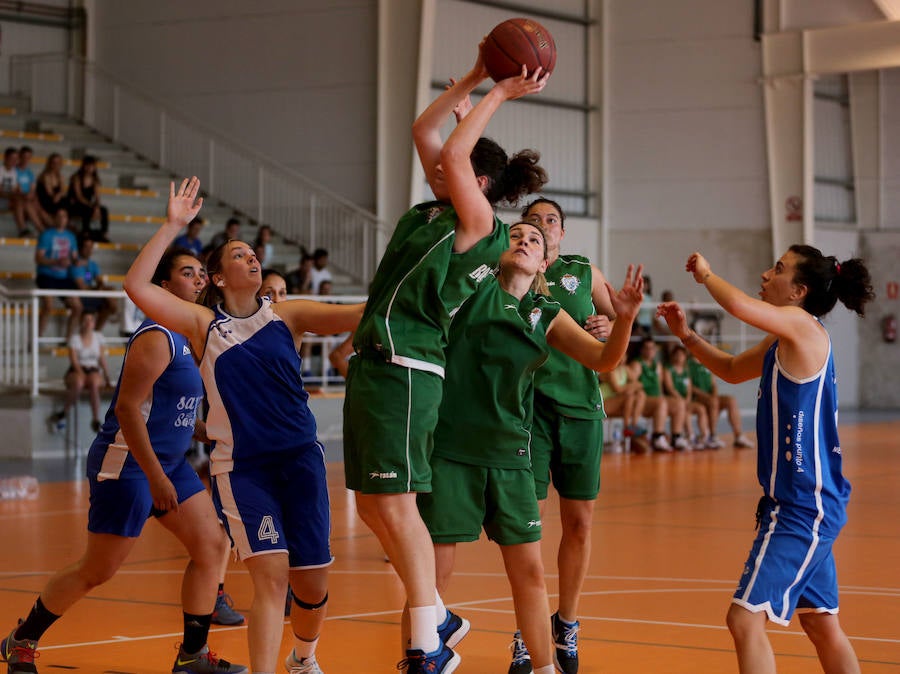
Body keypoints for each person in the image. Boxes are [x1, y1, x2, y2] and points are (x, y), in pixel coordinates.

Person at [343, 44, 548, 673]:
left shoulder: (479, 221)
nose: (436, 162)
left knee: (397, 506)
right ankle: (437, 612)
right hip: (375, 362)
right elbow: (424, 131)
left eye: (453, 163)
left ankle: (427, 641)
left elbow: (454, 153)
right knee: (371, 504)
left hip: (407, 368)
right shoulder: (433, 210)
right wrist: (476, 76)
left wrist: (500, 93)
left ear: (479, 183)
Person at [124, 177, 364, 674]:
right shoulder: (202, 325)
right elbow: (136, 287)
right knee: (271, 578)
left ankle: (304, 658)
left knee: (311, 585)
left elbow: (359, 314)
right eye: (239, 254)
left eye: (253, 253)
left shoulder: (287, 315)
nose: (252, 258)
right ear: (216, 277)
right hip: (244, 470)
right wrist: (172, 226)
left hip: (301, 461)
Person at [1, 248, 246, 674]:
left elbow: (164, 406)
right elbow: (128, 410)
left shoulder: (189, 337)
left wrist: (200, 429)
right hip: (129, 464)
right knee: (97, 570)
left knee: (212, 545)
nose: (199, 279)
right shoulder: (157, 335)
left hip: (169, 463)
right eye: (187, 273)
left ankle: (192, 655)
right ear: (164, 287)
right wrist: (155, 477)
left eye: (200, 273)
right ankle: (20, 641)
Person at [419, 222, 643, 674]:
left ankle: (542, 667)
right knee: (433, 579)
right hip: (453, 449)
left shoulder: (547, 311)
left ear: (544, 263)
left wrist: (626, 318)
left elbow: (604, 360)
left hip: (510, 454)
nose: (524, 240)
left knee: (530, 573)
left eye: (534, 240)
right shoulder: (470, 290)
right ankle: (421, 656)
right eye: (516, 235)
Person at [656, 245, 873, 674]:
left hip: (802, 509)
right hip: (809, 503)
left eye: (778, 269)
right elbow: (733, 369)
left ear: (798, 291)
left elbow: (739, 305)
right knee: (821, 624)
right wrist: (687, 336)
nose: (765, 275)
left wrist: (706, 275)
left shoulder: (801, 327)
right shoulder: (785, 337)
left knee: (744, 619)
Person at [504, 197, 614, 673]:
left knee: (580, 524)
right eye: (533, 220)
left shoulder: (584, 271)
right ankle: (527, 632)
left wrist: (611, 324)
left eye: (551, 220)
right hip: (529, 412)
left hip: (581, 411)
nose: (543, 225)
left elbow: (620, 325)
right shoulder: (510, 272)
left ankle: (566, 622)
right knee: (527, 527)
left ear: (562, 233)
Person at [47, 309, 111, 433]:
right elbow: (74, 360)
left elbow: (102, 359)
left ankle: (96, 419)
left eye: (91, 320)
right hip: (76, 369)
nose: (88, 323)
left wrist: (107, 375)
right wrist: (81, 373)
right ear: (81, 322)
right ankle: (64, 412)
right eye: (86, 320)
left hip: (93, 369)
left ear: (94, 322)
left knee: (94, 383)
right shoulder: (75, 338)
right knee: (78, 383)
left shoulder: (98, 337)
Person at [629, 337, 688, 451]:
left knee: (679, 403)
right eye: (647, 348)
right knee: (661, 402)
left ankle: (676, 437)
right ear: (642, 350)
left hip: (657, 400)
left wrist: (662, 396)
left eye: (652, 348)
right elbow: (633, 386)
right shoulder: (637, 364)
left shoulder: (658, 365)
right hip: (643, 401)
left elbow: (660, 387)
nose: (650, 351)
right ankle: (657, 437)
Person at [688, 355, 754, 448]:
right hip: (697, 397)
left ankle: (738, 435)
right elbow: (690, 387)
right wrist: (708, 396)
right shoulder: (687, 364)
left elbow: (713, 384)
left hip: (710, 397)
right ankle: (712, 435)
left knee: (731, 400)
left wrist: (714, 395)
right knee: (713, 402)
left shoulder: (707, 363)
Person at [34, 209, 82, 338]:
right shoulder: (46, 235)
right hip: (46, 275)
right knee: (48, 306)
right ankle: (37, 338)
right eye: (59, 216)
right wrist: (57, 261)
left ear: (67, 219)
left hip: (63, 277)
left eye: (64, 216)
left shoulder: (71, 237)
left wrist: (76, 262)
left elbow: (74, 257)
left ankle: (68, 340)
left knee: (77, 307)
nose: (62, 219)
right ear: (54, 218)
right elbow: (38, 258)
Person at [663, 343, 720, 449]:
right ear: (673, 356)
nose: (679, 357)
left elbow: (689, 388)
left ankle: (705, 436)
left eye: (682, 355)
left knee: (701, 409)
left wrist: (688, 398)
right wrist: (681, 399)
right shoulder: (668, 369)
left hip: (685, 400)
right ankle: (690, 435)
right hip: (674, 400)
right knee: (684, 409)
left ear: (685, 357)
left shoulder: (685, 370)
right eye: (677, 355)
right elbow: (670, 388)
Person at [598, 352, 651, 453]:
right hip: (603, 404)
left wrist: (632, 388)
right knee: (629, 396)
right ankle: (627, 427)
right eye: (619, 356)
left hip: (617, 403)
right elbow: (617, 389)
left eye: (623, 356)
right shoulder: (609, 371)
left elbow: (639, 384)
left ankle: (633, 425)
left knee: (641, 394)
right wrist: (631, 387)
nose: (622, 359)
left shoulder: (625, 369)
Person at [70, 235, 118, 331]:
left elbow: (99, 280)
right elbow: (82, 287)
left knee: (110, 295)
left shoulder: (92, 264)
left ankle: (96, 332)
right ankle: (115, 314)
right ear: (80, 248)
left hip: (91, 294)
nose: (89, 250)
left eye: (91, 247)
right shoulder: (76, 264)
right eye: (86, 247)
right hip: (79, 296)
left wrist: (101, 286)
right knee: (108, 297)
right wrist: (99, 289)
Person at [67, 155, 109, 242]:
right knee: (86, 209)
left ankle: (104, 233)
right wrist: (91, 205)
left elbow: (97, 197)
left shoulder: (94, 180)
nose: (89, 168)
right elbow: (79, 196)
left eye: (92, 166)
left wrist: (97, 207)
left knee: (104, 210)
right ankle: (85, 232)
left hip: (88, 204)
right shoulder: (77, 178)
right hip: (75, 204)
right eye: (88, 165)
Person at [15, 145, 47, 234]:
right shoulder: (14, 170)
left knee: (39, 208)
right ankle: (40, 229)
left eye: (28, 157)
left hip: (27, 197)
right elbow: (16, 188)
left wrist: (32, 196)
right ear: (20, 156)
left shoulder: (29, 172)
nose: (26, 159)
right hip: (18, 198)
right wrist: (27, 195)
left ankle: (48, 229)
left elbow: (32, 188)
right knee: (27, 204)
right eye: (24, 157)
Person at [36, 152, 67, 224]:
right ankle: (60, 223)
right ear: (50, 164)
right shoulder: (45, 176)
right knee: (61, 203)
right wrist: (58, 195)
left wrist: (59, 195)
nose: (56, 165)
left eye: (58, 163)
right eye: (54, 163)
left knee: (66, 201)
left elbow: (63, 190)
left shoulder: (60, 176)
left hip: (56, 199)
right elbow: (49, 192)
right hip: (46, 199)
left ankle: (63, 222)